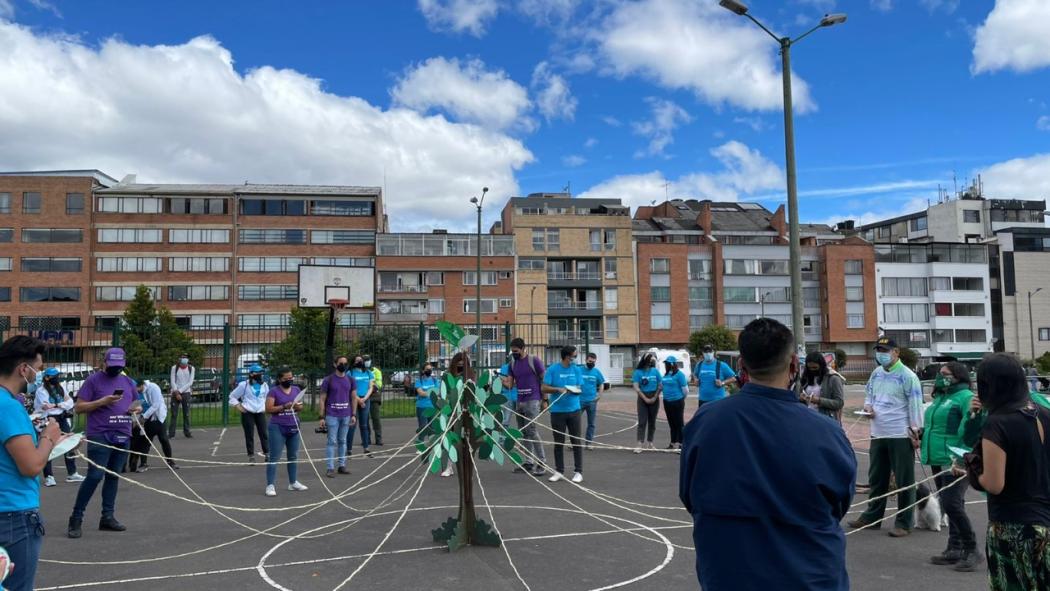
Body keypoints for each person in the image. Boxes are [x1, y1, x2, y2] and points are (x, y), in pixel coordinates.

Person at [679, 318, 856, 591]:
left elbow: (690, 495)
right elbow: (839, 502)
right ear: (794, 365)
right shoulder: (827, 433)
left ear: (741, 366)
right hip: (809, 575)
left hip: (728, 573)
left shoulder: (704, 423)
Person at [1, 336, 72, 591]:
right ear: (23, 368)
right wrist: (49, 438)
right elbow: (30, 466)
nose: (38, 375)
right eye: (38, 368)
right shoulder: (7, 406)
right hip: (13, 514)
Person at [848, 336, 924, 538]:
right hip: (878, 432)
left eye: (885, 350)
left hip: (900, 432)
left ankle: (904, 521)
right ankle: (872, 516)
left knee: (904, 479)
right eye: (878, 350)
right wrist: (868, 408)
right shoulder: (876, 373)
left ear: (896, 352)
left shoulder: (908, 376)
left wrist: (917, 431)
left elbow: (916, 404)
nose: (881, 354)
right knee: (877, 477)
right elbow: (869, 396)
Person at [68, 347, 140, 539]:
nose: (116, 369)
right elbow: (79, 407)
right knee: (95, 475)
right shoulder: (93, 380)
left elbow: (137, 403)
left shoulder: (127, 381)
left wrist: (135, 409)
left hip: (122, 432)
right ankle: (76, 517)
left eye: (119, 366)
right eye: (112, 365)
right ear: (104, 362)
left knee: (114, 475)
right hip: (100, 433)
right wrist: (102, 402)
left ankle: (107, 516)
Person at [919, 362, 980, 571]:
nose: (940, 377)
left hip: (955, 459)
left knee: (952, 503)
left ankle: (971, 548)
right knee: (951, 503)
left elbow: (970, 428)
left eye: (945, 374)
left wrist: (962, 458)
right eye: (940, 374)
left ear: (958, 376)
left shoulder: (965, 398)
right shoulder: (941, 397)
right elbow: (936, 426)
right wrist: (920, 433)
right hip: (937, 456)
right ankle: (954, 547)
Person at [502, 338, 547, 477]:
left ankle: (541, 463)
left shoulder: (534, 361)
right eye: (512, 351)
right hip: (519, 401)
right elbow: (510, 384)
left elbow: (543, 380)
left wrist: (544, 399)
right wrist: (501, 381)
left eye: (515, 351)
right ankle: (528, 462)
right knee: (524, 433)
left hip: (533, 400)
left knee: (532, 431)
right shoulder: (512, 363)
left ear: (523, 348)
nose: (513, 353)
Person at [542, 345, 585, 483]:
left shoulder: (576, 369)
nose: (575, 358)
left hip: (574, 410)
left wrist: (574, 389)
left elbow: (579, 387)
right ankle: (559, 471)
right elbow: (544, 387)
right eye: (574, 356)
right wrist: (557, 389)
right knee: (558, 442)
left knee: (576, 441)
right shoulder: (553, 369)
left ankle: (578, 471)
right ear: (567, 356)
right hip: (557, 411)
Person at [34, 367, 83, 486]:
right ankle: (49, 476)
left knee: (69, 444)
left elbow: (70, 402)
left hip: (61, 418)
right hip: (49, 419)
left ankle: (72, 473)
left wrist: (57, 404)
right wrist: (61, 405)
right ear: (47, 378)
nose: (57, 378)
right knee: (49, 446)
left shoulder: (60, 388)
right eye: (54, 376)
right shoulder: (41, 391)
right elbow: (46, 406)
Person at [264, 368, 308, 496]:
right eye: (286, 378)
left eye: (291, 378)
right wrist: (284, 406)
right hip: (278, 427)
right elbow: (268, 409)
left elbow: (300, 406)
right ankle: (270, 485)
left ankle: (293, 482)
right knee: (274, 457)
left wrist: (298, 406)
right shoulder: (273, 392)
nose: (289, 380)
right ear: (279, 379)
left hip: (293, 426)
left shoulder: (296, 390)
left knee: (293, 456)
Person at [319, 356, 356, 478]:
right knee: (331, 441)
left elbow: (353, 398)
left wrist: (354, 414)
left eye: (345, 363)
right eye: (341, 363)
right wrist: (321, 416)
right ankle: (330, 468)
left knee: (343, 441)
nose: (343, 365)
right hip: (332, 415)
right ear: (335, 364)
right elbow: (322, 399)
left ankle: (342, 466)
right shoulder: (328, 380)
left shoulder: (350, 379)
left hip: (346, 414)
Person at [131, 379, 177, 472]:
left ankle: (170, 461)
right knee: (145, 441)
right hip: (148, 419)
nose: (136, 391)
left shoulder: (153, 388)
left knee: (163, 439)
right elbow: (136, 404)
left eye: (136, 389)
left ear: (141, 385)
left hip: (159, 418)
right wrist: (131, 410)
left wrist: (144, 416)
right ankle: (143, 464)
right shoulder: (138, 392)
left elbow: (156, 404)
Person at [229, 364, 269, 464]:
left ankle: (267, 453)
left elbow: (267, 397)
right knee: (249, 434)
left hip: (260, 412)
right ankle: (251, 455)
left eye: (261, 372)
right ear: (251, 374)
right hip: (248, 412)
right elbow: (232, 396)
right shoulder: (244, 385)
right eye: (257, 372)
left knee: (264, 433)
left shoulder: (264, 385)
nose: (260, 374)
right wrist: (239, 406)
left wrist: (265, 407)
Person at [796, 352, 845, 423]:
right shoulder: (806, 378)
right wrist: (801, 398)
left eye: (815, 368)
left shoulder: (833, 378)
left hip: (826, 420)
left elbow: (839, 403)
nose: (812, 370)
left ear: (821, 366)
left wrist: (819, 400)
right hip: (808, 418)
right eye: (809, 368)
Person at [632, 352, 661, 454]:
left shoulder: (656, 372)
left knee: (652, 422)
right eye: (650, 360)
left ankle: (650, 442)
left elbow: (660, 385)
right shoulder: (638, 372)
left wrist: (655, 397)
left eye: (652, 361)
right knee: (642, 421)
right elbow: (636, 386)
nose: (651, 362)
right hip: (642, 397)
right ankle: (639, 444)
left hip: (654, 397)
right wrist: (645, 398)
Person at [346, 356, 373, 458]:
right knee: (352, 425)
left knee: (364, 425)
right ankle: (349, 450)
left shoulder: (368, 372)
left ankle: (366, 449)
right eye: (357, 360)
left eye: (361, 360)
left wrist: (364, 399)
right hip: (354, 400)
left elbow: (371, 387)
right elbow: (349, 389)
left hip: (365, 399)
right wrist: (358, 399)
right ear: (353, 362)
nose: (359, 362)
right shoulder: (350, 373)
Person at [579, 352, 606, 450]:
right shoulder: (579, 370)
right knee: (575, 422)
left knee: (591, 423)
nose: (592, 363)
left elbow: (602, 383)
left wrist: (600, 395)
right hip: (579, 400)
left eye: (593, 362)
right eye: (590, 361)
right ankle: (574, 442)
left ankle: (588, 443)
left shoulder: (596, 372)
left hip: (592, 401)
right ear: (586, 360)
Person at [661, 355, 688, 452]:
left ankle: (681, 444)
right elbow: (662, 386)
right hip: (667, 402)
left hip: (677, 401)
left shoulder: (680, 375)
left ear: (672, 364)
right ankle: (672, 443)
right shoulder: (666, 374)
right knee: (671, 423)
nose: (666, 366)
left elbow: (685, 390)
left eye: (667, 364)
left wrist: (680, 399)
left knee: (679, 423)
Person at [168, 353, 194, 438]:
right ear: (179, 359)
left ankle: (187, 432)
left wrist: (180, 391)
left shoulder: (191, 368)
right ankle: (171, 433)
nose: (184, 359)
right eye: (182, 357)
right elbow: (172, 381)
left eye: (186, 357)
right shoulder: (174, 368)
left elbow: (190, 382)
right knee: (174, 414)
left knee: (186, 414)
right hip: (175, 393)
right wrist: (176, 392)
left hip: (186, 393)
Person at [414, 362, 439, 442]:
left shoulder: (435, 380)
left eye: (431, 369)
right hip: (422, 407)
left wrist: (427, 392)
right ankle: (420, 444)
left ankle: (431, 445)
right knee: (423, 427)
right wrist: (431, 392)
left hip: (432, 407)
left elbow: (437, 391)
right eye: (427, 369)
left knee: (432, 427)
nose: (429, 371)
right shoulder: (419, 381)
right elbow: (420, 393)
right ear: (423, 371)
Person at [364, 355, 383, 446]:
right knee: (365, 419)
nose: (366, 362)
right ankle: (366, 439)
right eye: (365, 360)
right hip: (363, 397)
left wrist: (370, 387)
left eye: (368, 360)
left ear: (371, 361)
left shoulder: (376, 371)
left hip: (374, 397)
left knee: (376, 418)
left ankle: (378, 439)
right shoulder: (361, 371)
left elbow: (378, 384)